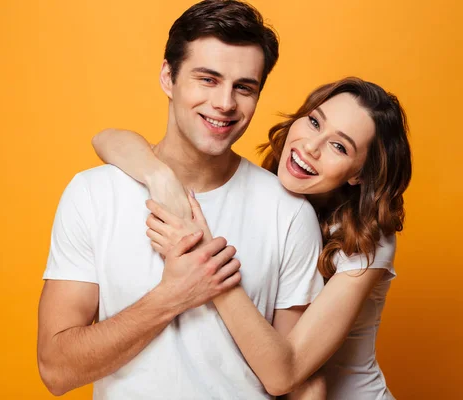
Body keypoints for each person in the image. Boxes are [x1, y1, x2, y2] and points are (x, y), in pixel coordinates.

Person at [37, 1, 325, 399]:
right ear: (168, 77)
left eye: (244, 87)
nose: (225, 103)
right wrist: (173, 296)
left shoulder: (288, 212)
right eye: (207, 79)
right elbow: (56, 369)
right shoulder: (93, 194)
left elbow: (298, 380)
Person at [92, 76, 412, 399]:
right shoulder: (278, 197)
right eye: (315, 122)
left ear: (359, 174)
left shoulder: (370, 241)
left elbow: (283, 375)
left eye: (339, 146)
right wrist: (158, 176)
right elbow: (105, 139)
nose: (311, 147)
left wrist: (204, 257)